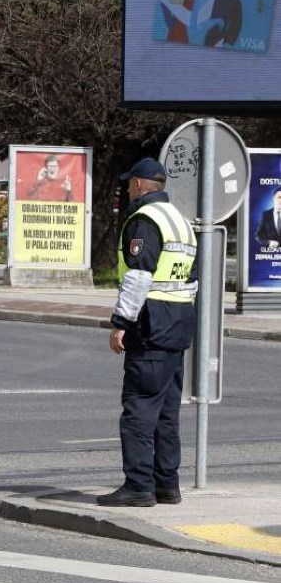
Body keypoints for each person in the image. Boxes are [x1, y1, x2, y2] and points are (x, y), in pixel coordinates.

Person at [99, 157, 198, 508]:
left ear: (140, 184)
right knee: (167, 412)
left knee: (139, 409)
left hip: (151, 325)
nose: (127, 189)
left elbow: (138, 276)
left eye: (129, 184)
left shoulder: (144, 220)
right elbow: (192, 280)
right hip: (178, 324)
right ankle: (167, 485)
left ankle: (139, 486)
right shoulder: (181, 222)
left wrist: (120, 323)